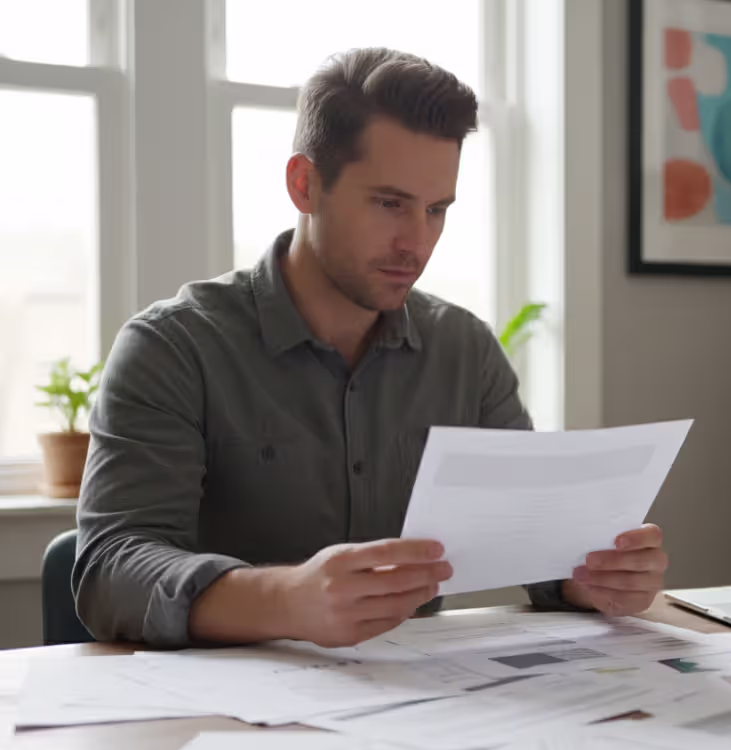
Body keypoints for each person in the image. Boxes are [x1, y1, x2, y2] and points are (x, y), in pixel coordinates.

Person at [73, 47, 668, 648]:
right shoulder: (172, 348)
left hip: (418, 710)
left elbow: (533, 543)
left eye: (436, 210)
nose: (417, 241)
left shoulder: (465, 350)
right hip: (221, 710)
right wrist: (287, 600)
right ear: (305, 185)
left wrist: (590, 579)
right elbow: (110, 569)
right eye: (389, 203)